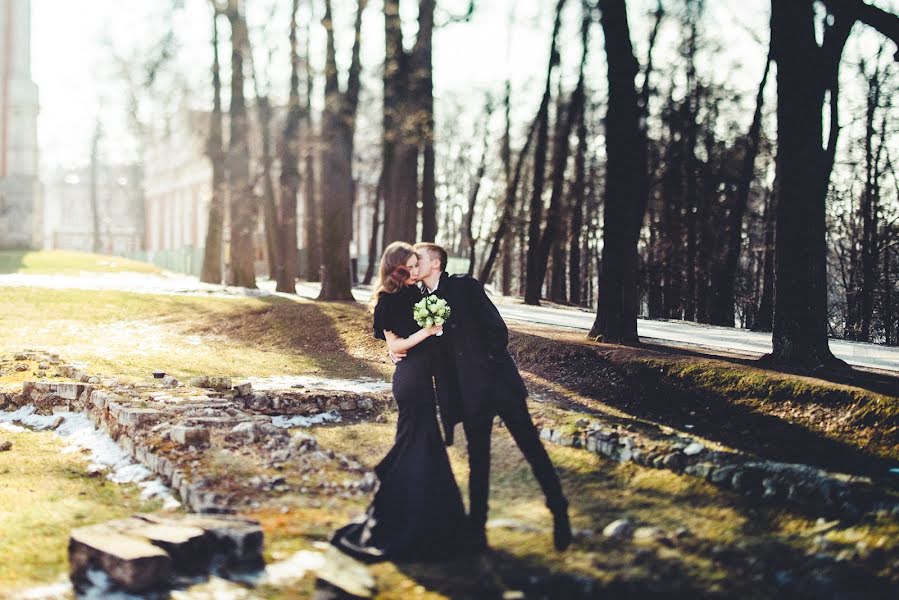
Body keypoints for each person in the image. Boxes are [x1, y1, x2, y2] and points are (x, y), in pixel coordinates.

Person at [391, 242, 572, 552]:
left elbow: (497, 331)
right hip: (467, 395)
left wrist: (484, 368)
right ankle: (477, 531)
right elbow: (410, 343)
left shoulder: (465, 287)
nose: (413, 264)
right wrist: (399, 352)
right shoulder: (417, 302)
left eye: (418, 259)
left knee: (531, 446)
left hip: (500, 385)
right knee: (479, 459)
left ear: (435, 264)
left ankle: (559, 510)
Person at [330, 242, 472, 563]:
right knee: (417, 441)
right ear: (395, 267)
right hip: (409, 382)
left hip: (424, 379)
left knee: (424, 443)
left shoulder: (418, 295)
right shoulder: (387, 302)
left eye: (414, 264)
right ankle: (403, 513)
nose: (412, 270)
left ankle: (432, 519)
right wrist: (429, 330)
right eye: (408, 265)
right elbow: (399, 346)